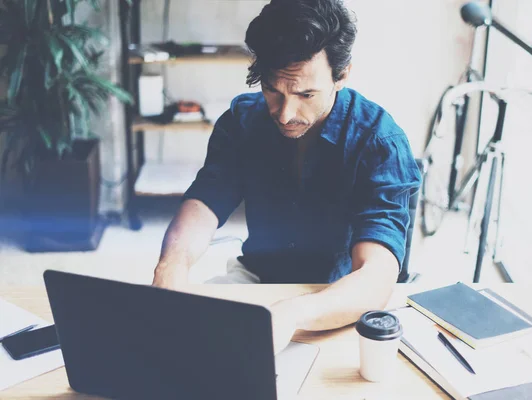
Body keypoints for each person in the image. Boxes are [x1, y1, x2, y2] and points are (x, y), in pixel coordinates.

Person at [152, 0, 421, 353]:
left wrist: (291, 314)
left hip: (342, 297)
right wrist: (171, 267)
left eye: (306, 94)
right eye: (272, 91)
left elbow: (375, 276)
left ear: (342, 75)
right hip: (259, 278)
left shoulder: (380, 141)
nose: (285, 113)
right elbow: (204, 202)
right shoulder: (242, 121)